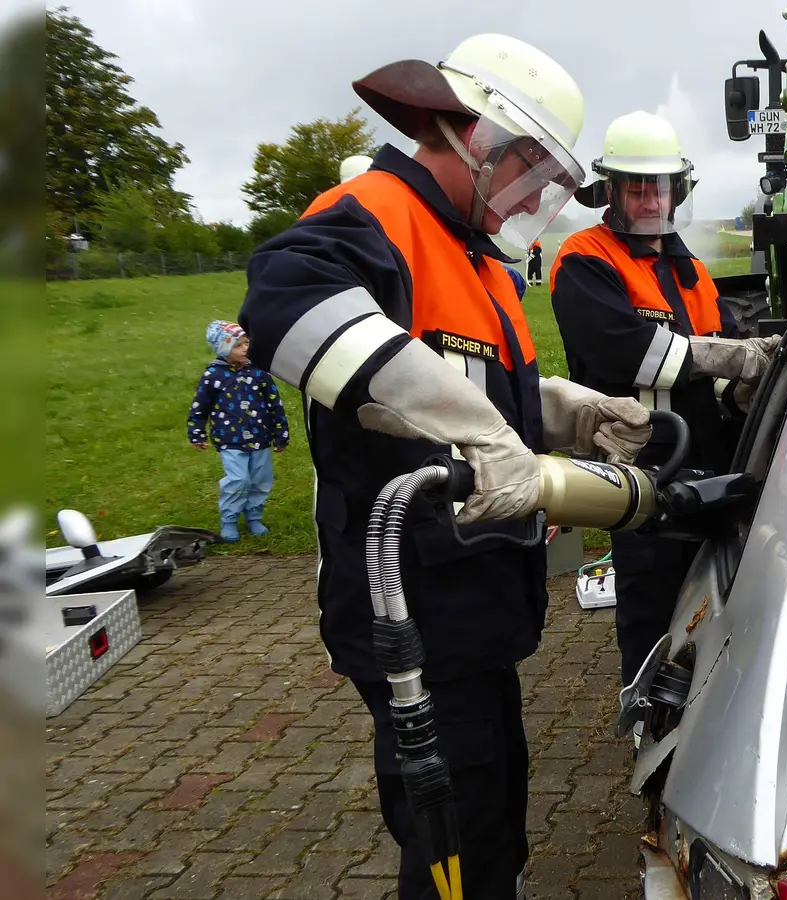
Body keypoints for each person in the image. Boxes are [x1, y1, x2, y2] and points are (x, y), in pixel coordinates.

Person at [238, 35, 652, 900]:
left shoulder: (474, 255)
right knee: (454, 849)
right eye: (531, 176)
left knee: (493, 816)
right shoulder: (376, 213)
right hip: (410, 602)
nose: (529, 202)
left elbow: (472, 388)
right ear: (479, 139)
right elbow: (287, 303)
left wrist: (567, 410)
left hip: (474, 607)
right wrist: (489, 442)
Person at [549, 110, 779, 686]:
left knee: (712, 594)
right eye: (637, 186)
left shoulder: (690, 266)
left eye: (662, 186)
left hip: (709, 465)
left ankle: (704, 705)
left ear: (679, 190)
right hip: (640, 466)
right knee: (650, 605)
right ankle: (647, 718)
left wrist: (741, 390)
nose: (652, 200)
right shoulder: (583, 261)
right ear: (610, 190)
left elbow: (716, 355)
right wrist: (732, 358)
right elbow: (627, 353)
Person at [186, 320, 289, 542]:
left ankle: (254, 517)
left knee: (261, 480)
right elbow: (200, 406)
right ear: (223, 349)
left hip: (260, 438)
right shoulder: (213, 375)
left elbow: (274, 403)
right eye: (238, 345)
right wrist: (196, 432)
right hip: (230, 440)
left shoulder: (259, 372)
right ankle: (229, 520)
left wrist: (280, 433)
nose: (245, 348)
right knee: (238, 479)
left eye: (246, 343)